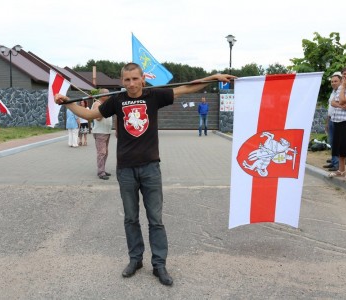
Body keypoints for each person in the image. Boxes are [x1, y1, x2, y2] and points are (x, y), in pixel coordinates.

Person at [55, 62, 235, 286]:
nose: (131, 84)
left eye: (135, 79)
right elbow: (91, 114)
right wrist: (68, 104)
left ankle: (159, 264)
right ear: (122, 81)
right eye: (127, 80)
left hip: (151, 168)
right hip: (126, 169)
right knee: (131, 219)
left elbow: (188, 87)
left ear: (143, 79)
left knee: (155, 219)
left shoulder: (154, 96)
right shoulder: (117, 100)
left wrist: (214, 77)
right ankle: (135, 259)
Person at [91, 89, 113, 180]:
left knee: (105, 152)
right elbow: (97, 118)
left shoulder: (105, 104)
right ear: (102, 95)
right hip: (100, 132)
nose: (109, 96)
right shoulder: (97, 104)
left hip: (106, 131)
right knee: (102, 152)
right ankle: (101, 172)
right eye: (107, 94)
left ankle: (102, 169)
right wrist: (105, 110)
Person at [323, 72, 342, 171]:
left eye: (336, 81)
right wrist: (327, 122)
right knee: (331, 141)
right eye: (332, 81)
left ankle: (337, 164)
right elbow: (329, 108)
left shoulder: (342, 92)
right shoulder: (332, 92)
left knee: (337, 142)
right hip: (331, 119)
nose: (333, 83)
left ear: (340, 81)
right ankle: (334, 161)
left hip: (338, 120)